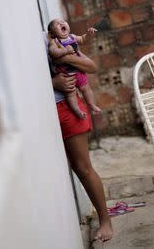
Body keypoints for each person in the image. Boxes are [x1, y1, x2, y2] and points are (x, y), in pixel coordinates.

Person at [46, 28, 113, 242]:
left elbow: (91, 66)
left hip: (68, 107)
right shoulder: (43, 42)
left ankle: (105, 221)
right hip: (49, 109)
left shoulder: (56, 40)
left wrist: (66, 55)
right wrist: (53, 83)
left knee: (83, 167)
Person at [48, 18, 101, 119]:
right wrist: (65, 51)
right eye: (57, 24)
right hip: (66, 73)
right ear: (53, 34)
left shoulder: (72, 37)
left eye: (63, 22)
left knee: (86, 88)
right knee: (70, 93)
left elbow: (83, 39)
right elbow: (53, 52)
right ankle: (77, 110)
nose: (62, 24)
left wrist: (89, 35)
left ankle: (91, 105)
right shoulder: (54, 41)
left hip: (78, 70)